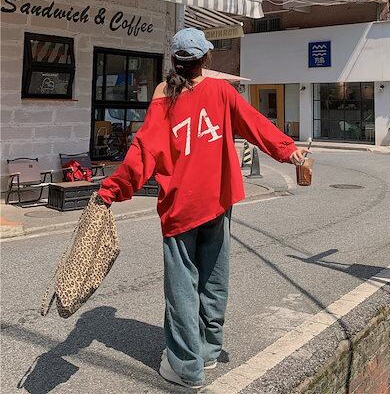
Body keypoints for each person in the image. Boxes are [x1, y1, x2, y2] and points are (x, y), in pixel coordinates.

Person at [97, 28, 307, 389]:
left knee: (182, 287)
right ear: (205, 60)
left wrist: (110, 190)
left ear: (174, 61)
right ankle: (208, 350)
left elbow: (143, 153)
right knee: (214, 278)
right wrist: (289, 151)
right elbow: (255, 124)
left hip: (180, 206)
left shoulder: (163, 97)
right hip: (218, 200)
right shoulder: (222, 91)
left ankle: (186, 367)